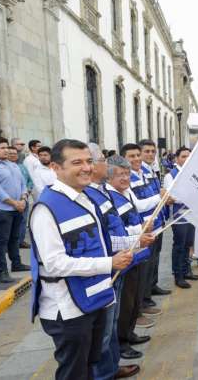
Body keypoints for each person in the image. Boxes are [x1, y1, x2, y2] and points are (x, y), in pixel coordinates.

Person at [29, 139, 133, 380]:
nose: (86, 167)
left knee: (89, 366)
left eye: (88, 161)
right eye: (77, 162)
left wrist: (131, 244)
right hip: (67, 309)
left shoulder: (85, 197)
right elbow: (55, 263)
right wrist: (109, 263)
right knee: (74, 372)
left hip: (94, 298)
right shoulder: (46, 208)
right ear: (55, 168)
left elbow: (99, 243)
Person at [85, 145, 151, 379]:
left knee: (110, 324)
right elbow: (104, 238)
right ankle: (104, 372)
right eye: (102, 159)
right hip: (107, 266)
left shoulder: (100, 191)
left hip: (120, 260)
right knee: (105, 327)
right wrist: (136, 239)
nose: (103, 163)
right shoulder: (88, 195)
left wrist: (136, 239)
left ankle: (111, 366)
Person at [122, 143, 163, 325]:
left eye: (139, 155)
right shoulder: (126, 179)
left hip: (151, 225)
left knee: (150, 264)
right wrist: (160, 197)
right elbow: (138, 205)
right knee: (138, 272)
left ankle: (145, 298)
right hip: (138, 230)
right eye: (133, 156)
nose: (138, 158)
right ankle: (138, 309)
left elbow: (145, 199)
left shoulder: (145, 172)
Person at [0, 136, 30, 283]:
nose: (6, 150)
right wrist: (14, 203)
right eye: (2, 147)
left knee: (15, 238)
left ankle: (17, 263)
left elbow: (23, 184)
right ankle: (2, 271)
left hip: (18, 206)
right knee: (2, 240)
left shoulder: (13, 165)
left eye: (7, 147)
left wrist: (23, 199)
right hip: (0, 208)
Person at [163, 147, 198, 289]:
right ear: (177, 158)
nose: (186, 159)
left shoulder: (191, 173)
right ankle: (178, 275)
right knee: (179, 245)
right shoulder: (170, 175)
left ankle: (187, 271)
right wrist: (188, 197)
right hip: (178, 216)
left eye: (189, 156)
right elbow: (170, 197)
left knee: (188, 243)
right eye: (184, 156)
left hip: (191, 214)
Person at [138, 140, 170, 301]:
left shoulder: (151, 170)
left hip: (158, 220)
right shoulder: (138, 172)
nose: (150, 154)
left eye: (153, 151)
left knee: (155, 257)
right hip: (148, 223)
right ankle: (145, 296)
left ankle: (152, 285)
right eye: (147, 151)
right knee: (147, 261)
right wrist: (160, 197)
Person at [9, 146, 33, 249]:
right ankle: (10, 244)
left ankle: (21, 241)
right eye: (11, 154)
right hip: (11, 200)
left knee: (23, 221)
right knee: (11, 223)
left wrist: (27, 192)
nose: (14, 155)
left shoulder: (22, 166)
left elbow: (29, 181)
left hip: (24, 198)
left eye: (15, 154)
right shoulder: (4, 168)